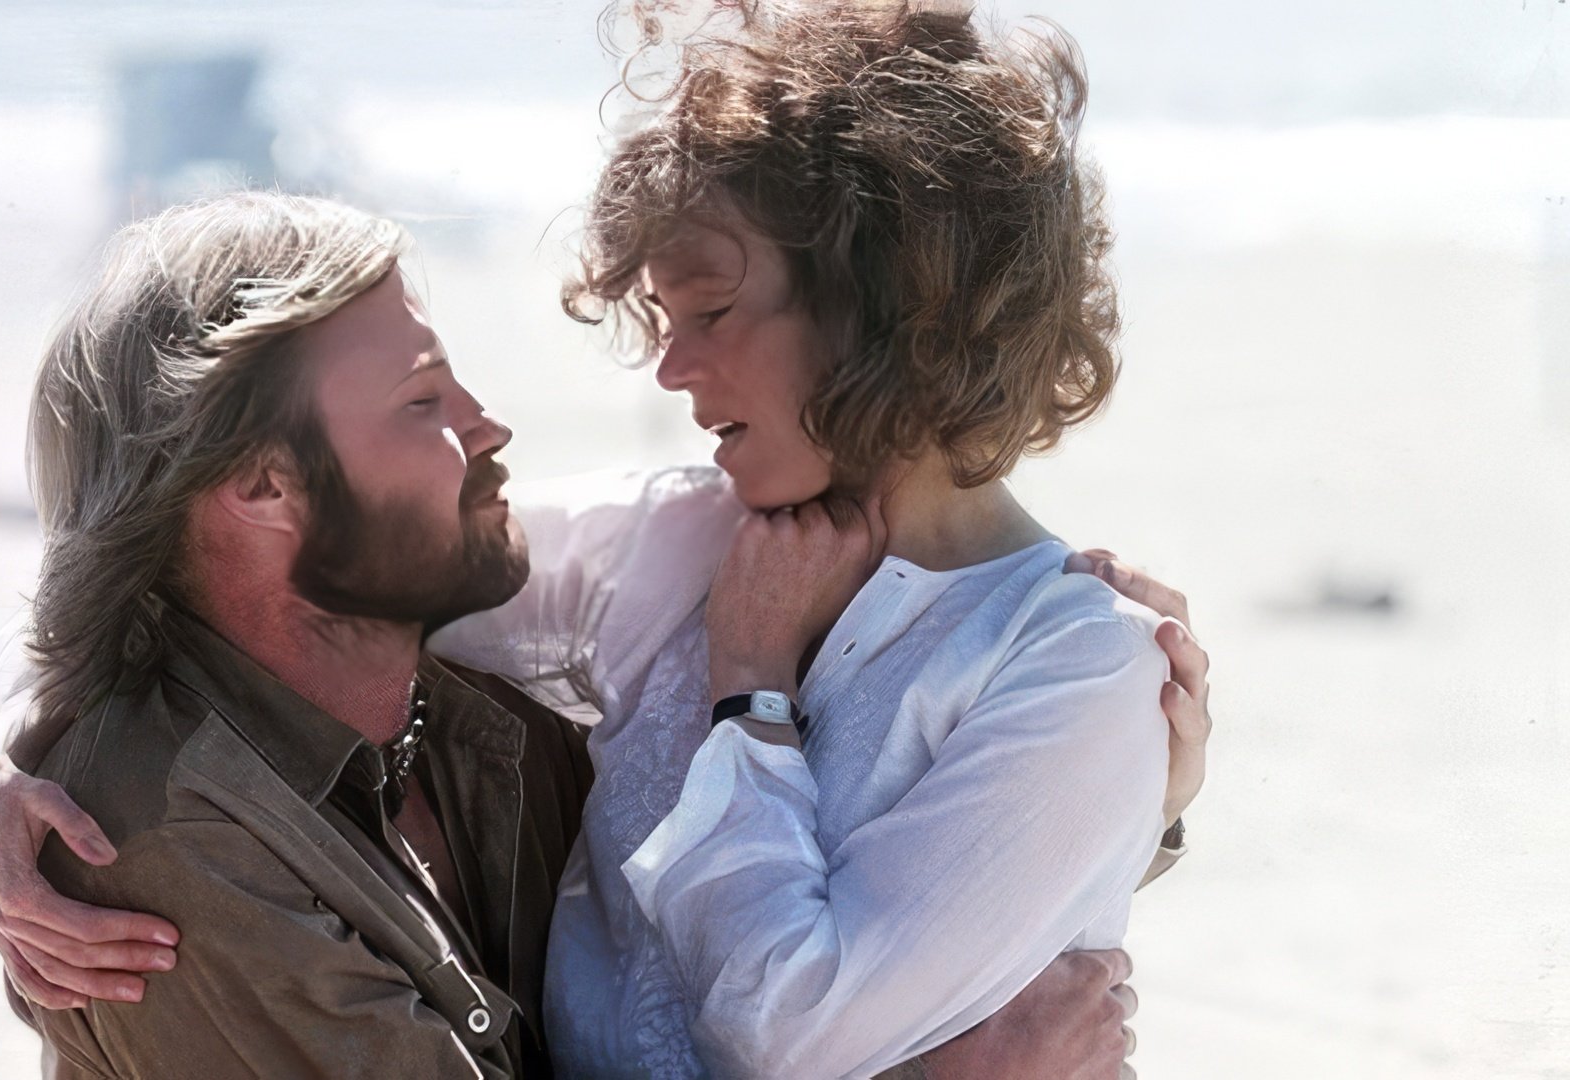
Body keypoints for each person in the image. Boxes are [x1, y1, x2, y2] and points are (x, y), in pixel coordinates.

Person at [0, 190, 1200, 1078]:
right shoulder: (164, 850)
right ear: (267, 485)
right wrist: (10, 755)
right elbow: (128, 608)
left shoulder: (486, 722)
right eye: (424, 399)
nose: (491, 424)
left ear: (881, 313)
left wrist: (1116, 800)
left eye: (713, 310)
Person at [424, 3, 1212, 1075]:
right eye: (665, 322)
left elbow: (787, 1033)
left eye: (711, 312)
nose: (670, 369)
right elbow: (361, 582)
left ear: (886, 303)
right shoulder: (675, 537)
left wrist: (750, 691)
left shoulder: (1073, 661)